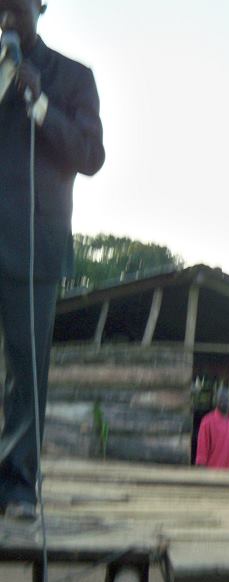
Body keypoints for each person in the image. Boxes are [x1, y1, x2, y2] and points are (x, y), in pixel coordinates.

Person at [0, 0, 104, 521]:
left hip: (33, 244)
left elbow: (90, 156)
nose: (6, 18)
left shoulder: (71, 77)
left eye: (16, 8)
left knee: (26, 372)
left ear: (40, 8)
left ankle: (18, 487)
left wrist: (39, 103)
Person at [195, 388, 229, 471]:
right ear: (216, 401)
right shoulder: (207, 422)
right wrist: (202, 474)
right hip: (213, 474)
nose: (224, 402)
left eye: (227, 399)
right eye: (221, 399)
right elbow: (202, 453)